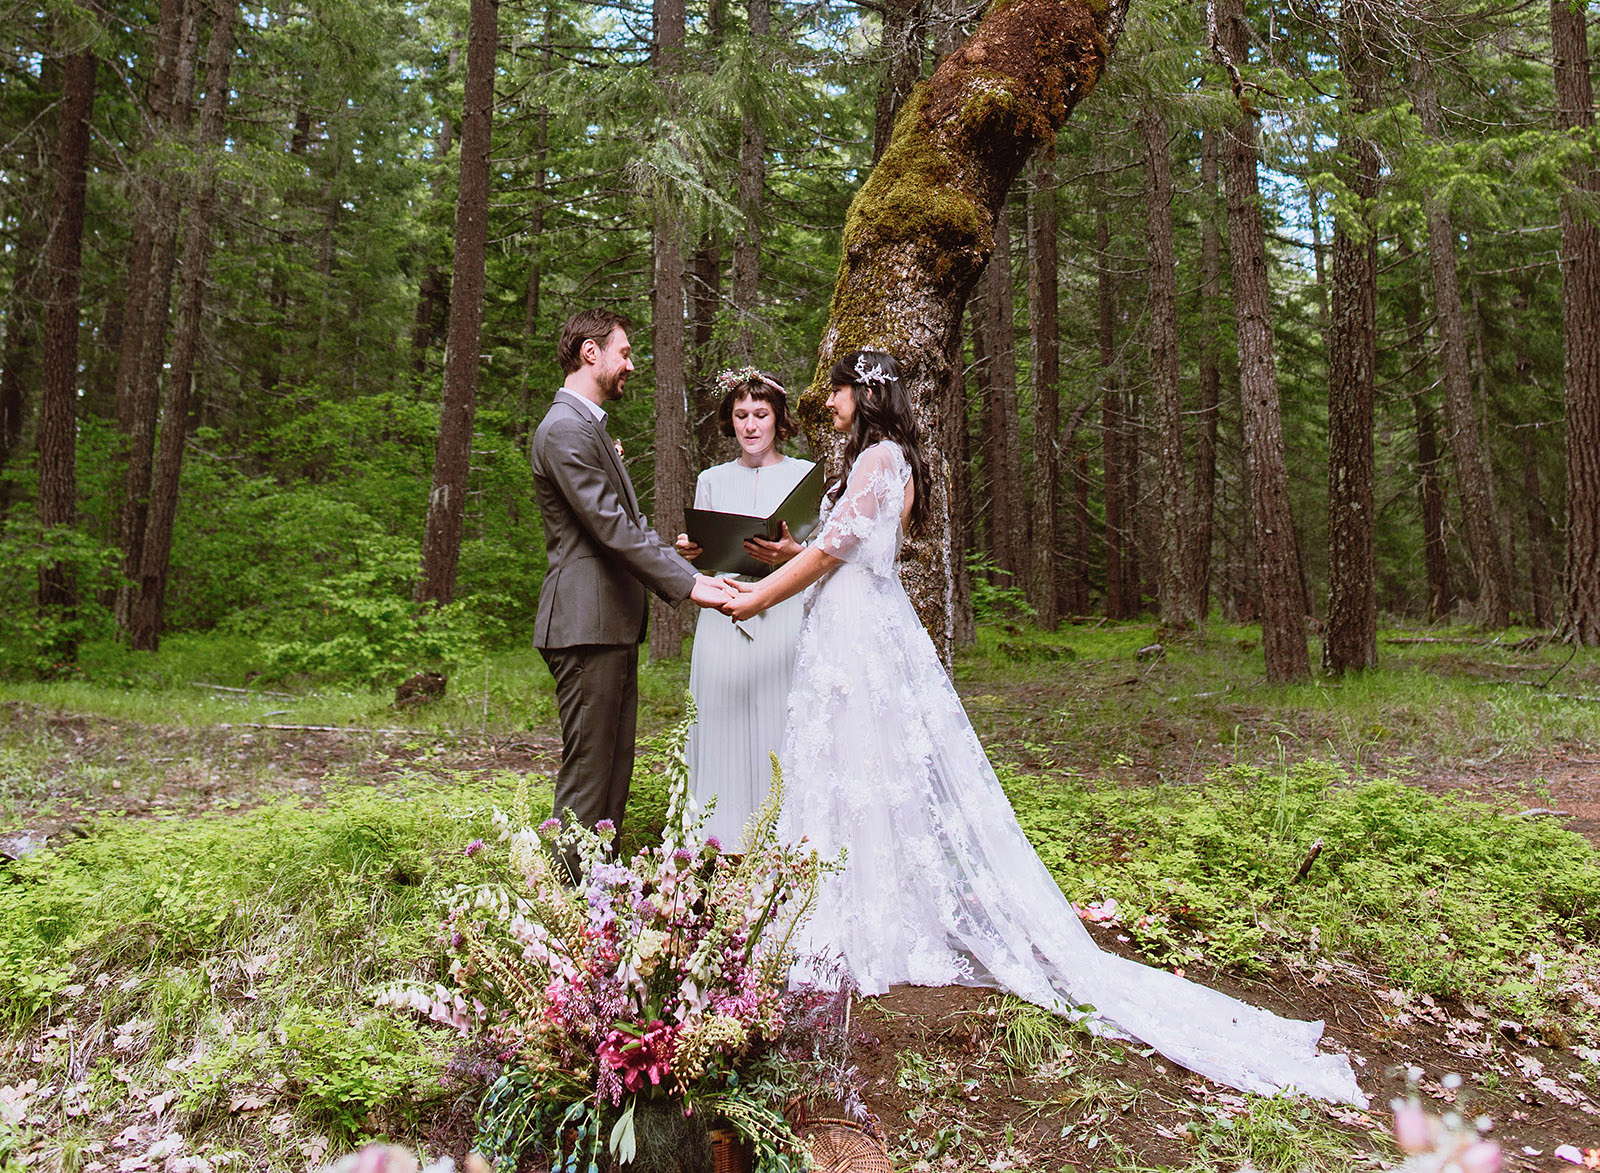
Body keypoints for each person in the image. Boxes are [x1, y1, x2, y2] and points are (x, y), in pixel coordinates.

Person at [723, 350, 1364, 1106]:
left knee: (863, 765)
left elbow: (841, 551)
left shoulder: (879, 456)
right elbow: (848, 552)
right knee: (860, 768)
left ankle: (864, 923)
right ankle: (868, 915)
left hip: (859, 636)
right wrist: (787, 556)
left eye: (832, 389)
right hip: (859, 625)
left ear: (861, 393)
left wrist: (760, 594)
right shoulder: (884, 460)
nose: (823, 400)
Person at [530, 308, 738, 862]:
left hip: (610, 624)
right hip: (583, 625)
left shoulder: (588, 426)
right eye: (624, 352)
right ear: (589, 353)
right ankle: (562, 911)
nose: (631, 364)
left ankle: (598, 901)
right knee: (588, 775)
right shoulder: (564, 429)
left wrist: (694, 573)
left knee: (614, 772)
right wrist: (692, 590)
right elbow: (611, 529)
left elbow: (633, 527)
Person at [674, 369, 813, 848]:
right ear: (728, 421)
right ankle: (720, 843)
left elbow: (821, 555)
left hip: (783, 610)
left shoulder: (802, 475)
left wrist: (789, 554)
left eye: (761, 415)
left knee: (781, 723)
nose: (750, 426)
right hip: (724, 611)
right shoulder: (711, 479)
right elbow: (704, 555)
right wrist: (691, 553)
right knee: (722, 721)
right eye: (740, 416)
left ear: (778, 420)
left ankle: (784, 845)